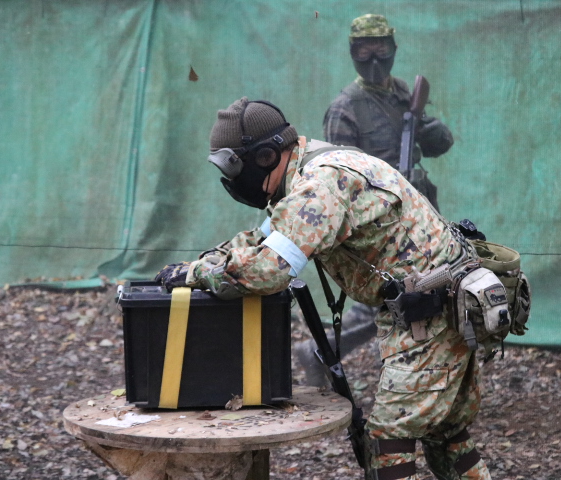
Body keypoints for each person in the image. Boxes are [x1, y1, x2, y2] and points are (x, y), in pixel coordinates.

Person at [155, 97, 491, 480]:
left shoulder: (318, 186)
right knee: (445, 434)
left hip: (432, 312)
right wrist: (210, 260)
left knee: (388, 440)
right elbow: (262, 239)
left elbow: (269, 271)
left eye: (233, 167)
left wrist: (198, 274)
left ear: (265, 156)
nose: (231, 180)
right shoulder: (312, 166)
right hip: (443, 304)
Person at [296, 13, 456, 387]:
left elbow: (439, 146)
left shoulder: (402, 94)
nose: (374, 61)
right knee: (396, 295)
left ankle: (410, 366)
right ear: (353, 53)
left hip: (417, 213)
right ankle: (322, 351)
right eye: (364, 52)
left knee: (418, 289)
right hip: (379, 219)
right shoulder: (345, 108)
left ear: (393, 49)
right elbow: (338, 177)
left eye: (380, 50)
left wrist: (427, 128)